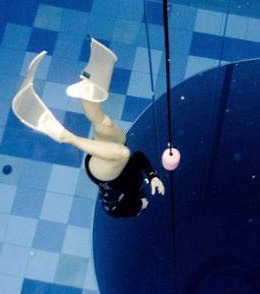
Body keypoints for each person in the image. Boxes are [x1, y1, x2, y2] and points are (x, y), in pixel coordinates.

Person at [12, 38, 165, 218]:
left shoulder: (125, 206)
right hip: (105, 157)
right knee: (106, 123)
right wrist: (153, 176)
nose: (146, 200)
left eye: (143, 203)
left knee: (122, 153)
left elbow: (120, 210)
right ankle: (88, 91)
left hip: (103, 174)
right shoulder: (137, 186)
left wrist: (140, 205)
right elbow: (138, 157)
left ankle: (64, 136)